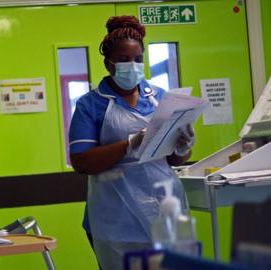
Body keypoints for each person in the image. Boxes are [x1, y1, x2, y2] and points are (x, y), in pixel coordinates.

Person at [68, 15, 195, 270]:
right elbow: (82, 162)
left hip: (164, 212)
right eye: (124, 60)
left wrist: (183, 145)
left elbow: (171, 159)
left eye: (138, 59)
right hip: (115, 218)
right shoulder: (90, 104)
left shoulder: (162, 99)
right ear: (108, 63)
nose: (133, 66)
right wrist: (130, 143)